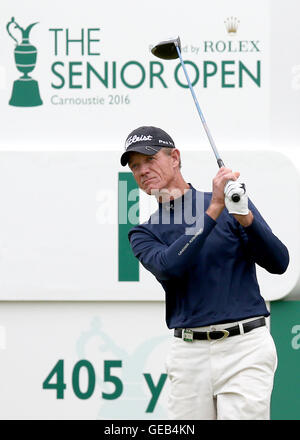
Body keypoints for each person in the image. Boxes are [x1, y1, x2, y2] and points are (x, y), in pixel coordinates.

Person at [120, 125, 289, 420]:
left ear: (174, 157)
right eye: (135, 166)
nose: (142, 170)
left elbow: (279, 262)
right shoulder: (143, 231)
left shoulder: (228, 203)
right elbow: (170, 266)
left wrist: (247, 219)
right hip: (188, 355)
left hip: (245, 348)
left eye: (149, 159)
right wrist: (213, 210)